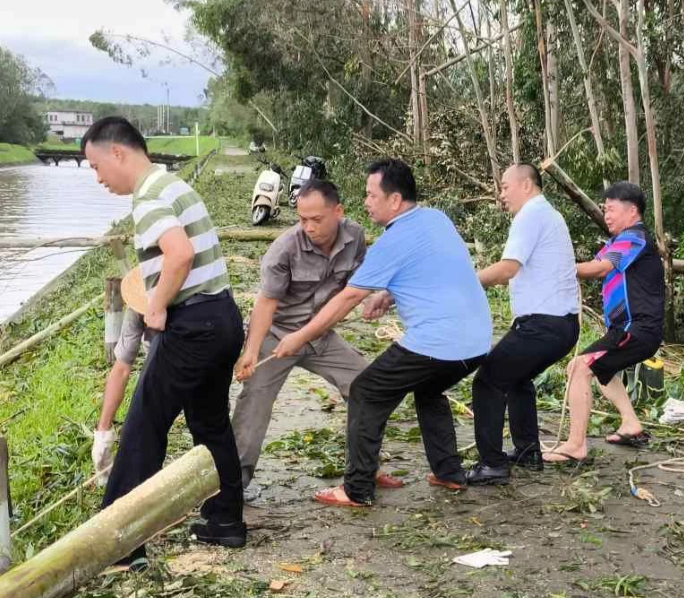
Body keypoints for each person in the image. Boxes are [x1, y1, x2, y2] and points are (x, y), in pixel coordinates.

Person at [272, 158, 492, 506]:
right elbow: (431, 272)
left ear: (394, 200)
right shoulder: (436, 219)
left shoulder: (394, 240)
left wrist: (300, 336)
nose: (366, 201)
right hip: (477, 342)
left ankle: (356, 489)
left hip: (438, 343)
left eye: (371, 195)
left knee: (365, 391)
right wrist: (388, 296)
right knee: (429, 388)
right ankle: (449, 472)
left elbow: (348, 298)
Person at [83, 116, 246, 568]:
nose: (98, 179)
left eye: (96, 167)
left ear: (118, 153)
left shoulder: (150, 196)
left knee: (142, 428)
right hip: (222, 318)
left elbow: (179, 253)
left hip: (193, 325)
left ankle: (120, 543)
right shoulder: (171, 185)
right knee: (210, 422)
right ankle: (226, 520)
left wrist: (155, 306)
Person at [232, 179, 402, 498]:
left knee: (367, 385)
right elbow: (265, 304)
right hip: (277, 336)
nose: (308, 227)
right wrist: (252, 351)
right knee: (254, 404)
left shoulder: (354, 237)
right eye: (302, 219)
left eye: (317, 219)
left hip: (320, 336)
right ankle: (232, 487)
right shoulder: (283, 249)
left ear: (338, 211)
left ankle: (365, 469)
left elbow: (357, 284)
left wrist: (376, 298)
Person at [466, 164, 581, 485]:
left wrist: (467, 283)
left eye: (505, 187)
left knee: (487, 380)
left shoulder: (530, 215)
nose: (502, 195)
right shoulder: (547, 215)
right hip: (560, 325)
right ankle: (528, 451)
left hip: (545, 324)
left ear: (526, 185)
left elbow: (507, 269)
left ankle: (492, 465)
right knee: (516, 378)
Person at [544, 181, 664, 464]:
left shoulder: (635, 237)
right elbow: (591, 267)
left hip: (636, 329)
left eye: (611, 209)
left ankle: (575, 445)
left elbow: (598, 268)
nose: (606, 215)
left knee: (579, 368)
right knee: (602, 371)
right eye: (604, 210)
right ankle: (631, 424)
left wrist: (555, 271)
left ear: (632, 210)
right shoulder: (617, 242)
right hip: (626, 329)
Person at [91, 308, 145, 486]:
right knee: (140, 435)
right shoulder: (138, 308)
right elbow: (121, 369)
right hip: (162, 366)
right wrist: (103, 433)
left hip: (201, 358)